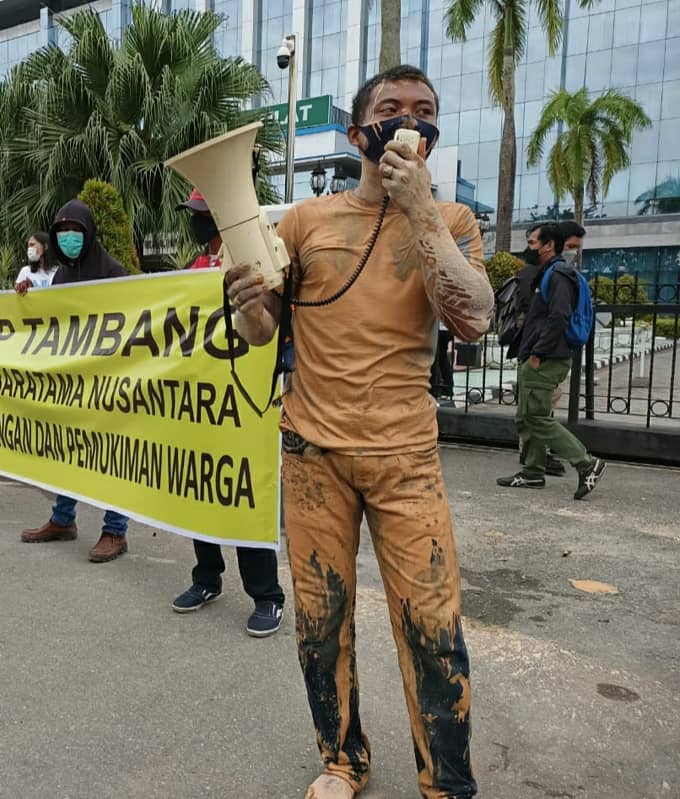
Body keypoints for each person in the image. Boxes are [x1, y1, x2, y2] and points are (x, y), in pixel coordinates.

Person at [226, 65, 494, 799]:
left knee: (432, 626)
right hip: (313, 454)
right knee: (319, 621)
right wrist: (247, 298)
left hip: (406, 455)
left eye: (425, 109)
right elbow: (258, 332)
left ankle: (449, 782)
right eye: (391, 108)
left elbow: (475, 315)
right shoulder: (306, 222)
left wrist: (422, 212)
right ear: (358, 133)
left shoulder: (454, 221)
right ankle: (342, 761)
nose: (410, 118)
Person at [170, 186, 286, 636]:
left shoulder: (251, 261)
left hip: (242, 404)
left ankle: (267, 595)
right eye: (194, 213)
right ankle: (206, 577)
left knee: (243, 493)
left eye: (202, 213)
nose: (196, 221)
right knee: (201, 493)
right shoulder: (196, 266)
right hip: (203, 405)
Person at [19, 199, 132, 563]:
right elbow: (53, 321)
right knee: (68, 449)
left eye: (76, 232)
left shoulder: (113, 272)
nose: (69, 238)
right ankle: (63, 520)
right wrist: (27, 301)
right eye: (62, 232)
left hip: (109, 381)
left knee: (112, 455)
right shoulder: (61, 277)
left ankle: (115, 530)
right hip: (73, 383)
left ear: (89, 233)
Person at [497, 222, 606, 499]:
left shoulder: (558, 274)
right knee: (528, 415)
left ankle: (586, 463)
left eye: (533, 242)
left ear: (548, 245)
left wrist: (537, 353)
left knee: (537, 417)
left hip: (546, 358)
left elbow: (559, 316)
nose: (528, 247)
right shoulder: (548, 272)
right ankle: (532, 473)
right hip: (537, 356)